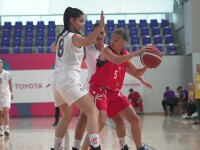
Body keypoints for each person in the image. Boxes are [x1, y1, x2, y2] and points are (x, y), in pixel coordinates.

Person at [81, 28, 152, 150]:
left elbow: (136, 73)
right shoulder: (106, 50)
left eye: (116, 40)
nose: (112, 42)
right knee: (101, 121)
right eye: (112, 39)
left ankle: (139, 147)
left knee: (134, 119)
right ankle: (85, 147)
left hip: (114, 93)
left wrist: (148, 64)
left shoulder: (125, 55)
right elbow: (117, 60)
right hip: (99, 90)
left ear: (124, 42)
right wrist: (137, 52)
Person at [50, 7, 105, 150]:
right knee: (93, 111)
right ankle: (96, 146)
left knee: (66, 116)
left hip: (56, 81)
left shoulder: (61, 37)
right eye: (80, 21)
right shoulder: (75, 37)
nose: (83, 24)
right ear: (71, 20)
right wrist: (99, 28)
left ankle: (56, 147)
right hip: (69, 79)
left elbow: (52, 48)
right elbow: (87, 41)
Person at [73, 23, 130, 150]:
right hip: (91, 86)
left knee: (113, 118)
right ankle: (77, 147)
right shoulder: (87, 49)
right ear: (93, 34)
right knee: (83, 117)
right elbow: (74, 64)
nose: (99, 35)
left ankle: (92, 145)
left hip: (106, 89)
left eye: (102, 32)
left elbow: (121, 63)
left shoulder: (109, 49)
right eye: (96, 32)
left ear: (105, 34)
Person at [0, 59, 13, 136]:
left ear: (2, 64)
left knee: (6, 110)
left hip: (6, 94)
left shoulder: (7, 73)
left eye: (0, 63)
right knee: (0, 113)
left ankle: (7, 129)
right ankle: (1, 129)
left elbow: (10, 83)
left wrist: (12, 92)